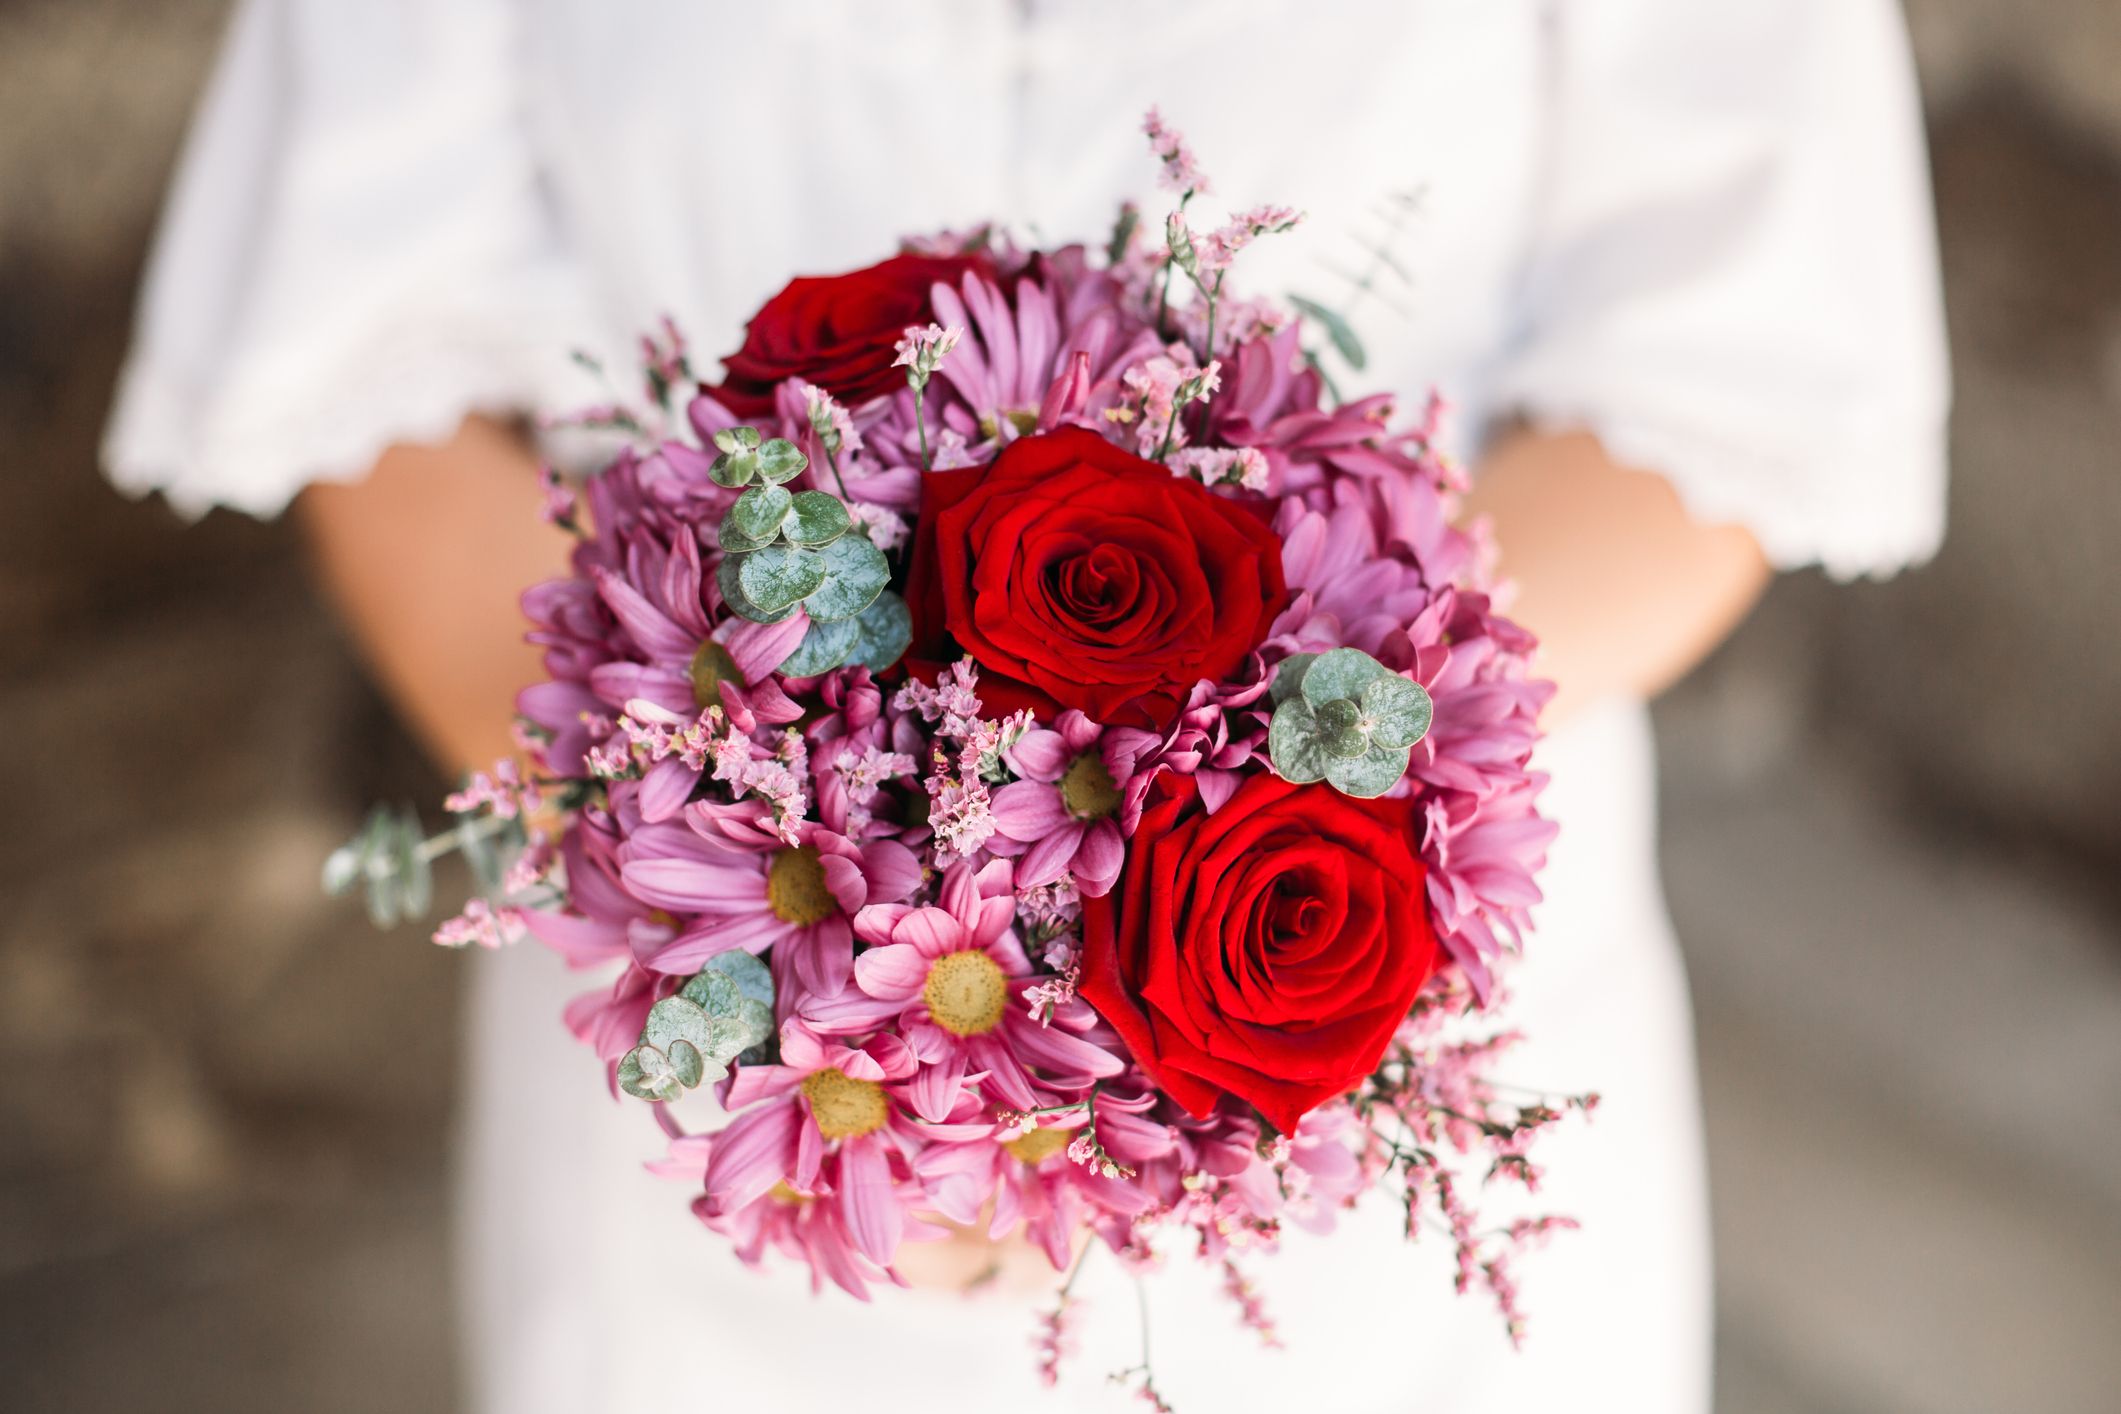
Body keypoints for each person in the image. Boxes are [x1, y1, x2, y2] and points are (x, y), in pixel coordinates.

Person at [103, 2, 1948, 1409]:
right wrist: (720, 877)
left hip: (1341, 1019)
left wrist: (1250, 855)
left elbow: (1719, 394)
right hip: (709, 1032)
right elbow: (373, 362)